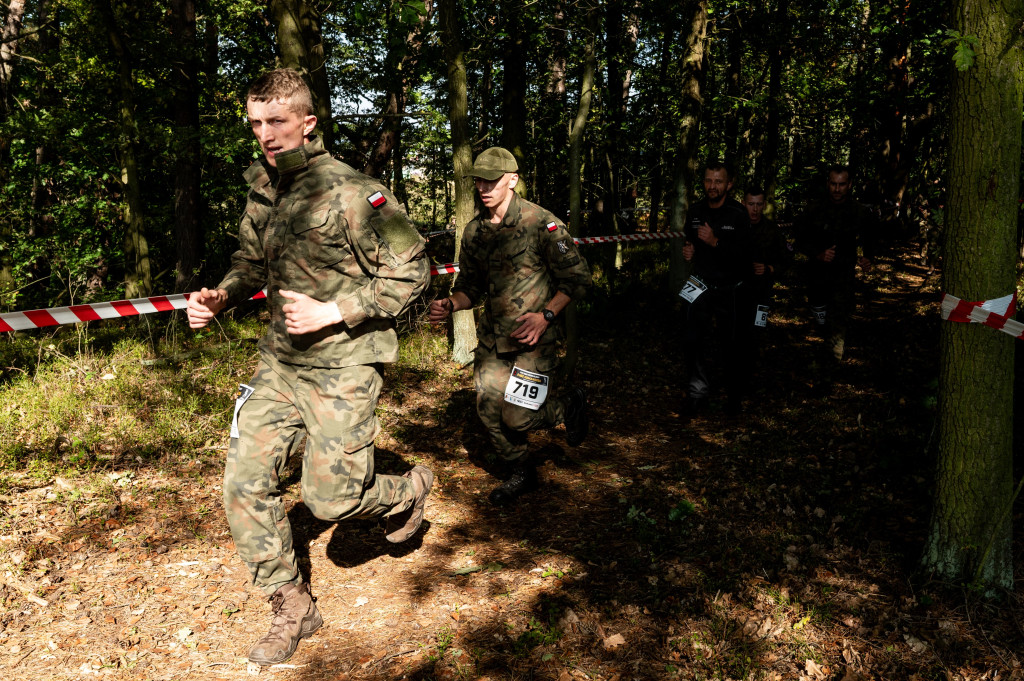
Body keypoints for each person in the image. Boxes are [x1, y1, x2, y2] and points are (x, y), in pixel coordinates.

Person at [185, 69, 433, 667]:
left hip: (345, 365)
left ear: (307, 123)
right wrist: (222, 294)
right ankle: (293, 607)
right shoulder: (262, 189)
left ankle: (407, 490)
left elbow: (413, 272)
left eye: (276, 121)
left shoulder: (353, 191)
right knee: (243, 483)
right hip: (280, 365)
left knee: (331, 503)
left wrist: (334, 309)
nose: (265, 135)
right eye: (255, 123)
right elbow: (250, 261)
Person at [427, 147, 592, 506]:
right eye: (479, 181)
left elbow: (578, 280)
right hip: (493, 340)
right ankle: (522, 470)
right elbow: (470, 287)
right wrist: (450, 304)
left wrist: (545, 316)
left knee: (517, 418)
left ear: (512, 180)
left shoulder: (541, 223)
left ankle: (567, 408)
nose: (483, 187)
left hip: (535, 340)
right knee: (487, 412)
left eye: (491, 180)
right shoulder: (474, 232)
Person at [793, 165, 879, 380]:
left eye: (842, 184)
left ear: (849, 185)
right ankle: (826, 353)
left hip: (843, 278)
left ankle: (829, 372)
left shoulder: (859, 211)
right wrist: (818, 254)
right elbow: (799, 241)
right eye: (834, 184)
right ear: (827, 184)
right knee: (822, 322)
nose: (837, 189)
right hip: (817, 279)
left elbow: (870, 238)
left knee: (837, 324)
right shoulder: (813, 210)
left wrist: (868, 258)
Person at [679, 160, 751, 415]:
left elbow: (744, 256)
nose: (712, 186)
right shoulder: (697, 211)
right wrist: (689, 250)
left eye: (718, 181)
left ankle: (733, 398)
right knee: (692, 339)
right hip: (701, 284)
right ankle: (697, 393)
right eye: (709, 180)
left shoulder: (739, 214)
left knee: (730, 344)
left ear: (729, 184)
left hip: (730, 289)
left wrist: (716, 241)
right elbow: (690, 238)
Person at [743, 187, 789, 348]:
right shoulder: (735, 228)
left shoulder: (773, 231)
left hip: (762, 293)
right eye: (750, 204)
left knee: (758, 330)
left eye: (758, 204)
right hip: (737, 292)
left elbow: (786, 261)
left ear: (763, 205)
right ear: (743, 203)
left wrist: (769, 268)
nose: (754, 209)